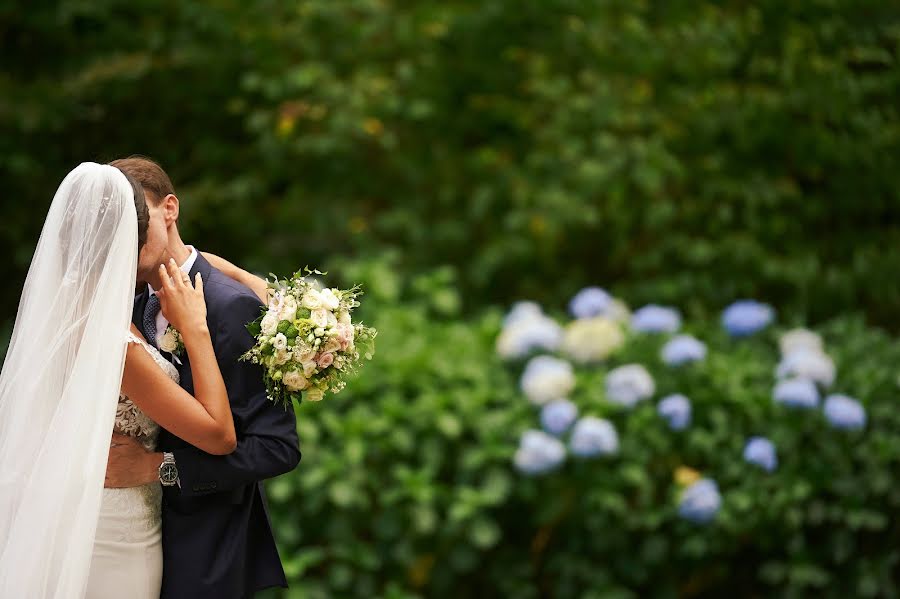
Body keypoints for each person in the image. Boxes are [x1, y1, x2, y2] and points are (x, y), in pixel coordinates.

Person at [0, 163, 241, 597]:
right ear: (132, 234)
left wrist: (240, 278)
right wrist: (196, 330)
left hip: (75, 510)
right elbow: (219, 435)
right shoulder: (107, 340)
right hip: (112, 531)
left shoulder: (65, 309)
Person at [104, 156, 301, 598]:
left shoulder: (230, 307)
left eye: (139, 220)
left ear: (169, 209)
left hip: (203, 553)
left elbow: (277, 447)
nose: (129, 239)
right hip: (122, 537)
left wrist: (159, 468)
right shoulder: (117, 303)